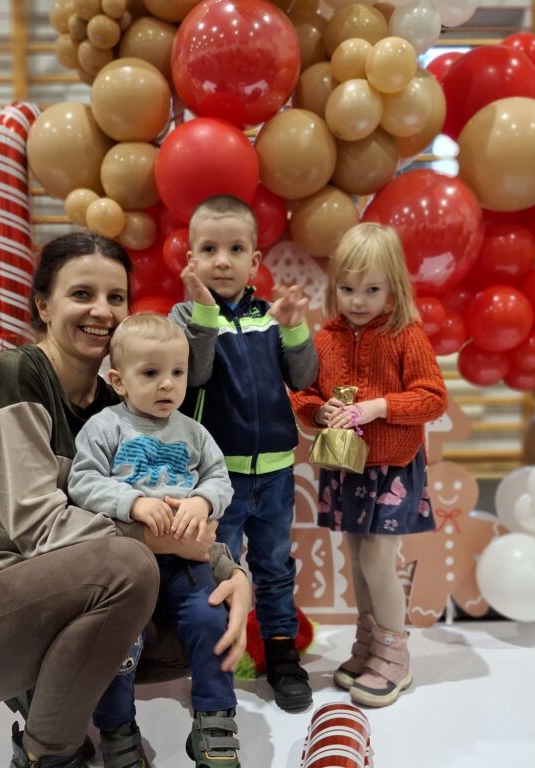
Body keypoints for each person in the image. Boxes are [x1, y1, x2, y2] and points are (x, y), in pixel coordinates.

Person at [0, 233, 250, 768]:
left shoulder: (117, 409)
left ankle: (72, 705)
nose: (102, 311)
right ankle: (48, 752)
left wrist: (231, 570)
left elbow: (178, 496)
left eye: (116, 297)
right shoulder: (12, 378)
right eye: (82, 294)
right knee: (130, 564)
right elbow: (39, 529)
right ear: (43, 305)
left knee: (200, 607)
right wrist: (173, 542)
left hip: (45, 596)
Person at [68, 313, 241, 768]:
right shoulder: (105, 426)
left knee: (210, 621)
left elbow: (220, 479)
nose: (168, 384)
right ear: (118, 381)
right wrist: (133, 502)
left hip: (186, 563)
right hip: (125, 564)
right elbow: (81, 482)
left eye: (178, 372)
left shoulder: (194, 432)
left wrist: (202, 501)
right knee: (119, 640)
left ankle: (214, 719)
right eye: (150, 373)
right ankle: (117, 729)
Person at [170, 194, 318, 712]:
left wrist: (295, 325)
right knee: (218, 570)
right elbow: (195, 374)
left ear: (255, 261)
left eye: (235, 249)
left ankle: (281, 653)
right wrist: (205, 314)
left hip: (276, 473)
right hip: (218, 480)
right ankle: (218, 665)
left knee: (275, 567)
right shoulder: (184, 316)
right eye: (209, 249)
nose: (222, 261)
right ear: (191, 259)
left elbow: (303, 377)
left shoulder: (269, 318)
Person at [291, 222, 447, 708]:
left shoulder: (407, 336)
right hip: (345, 467)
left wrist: (378, 407)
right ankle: (369, 645)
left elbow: (433, 398)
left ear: (394, 287)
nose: (358, 301)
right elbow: (303, 395)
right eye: (348, 289)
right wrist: (320, 412)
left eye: (372, 290)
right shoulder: (325, 339)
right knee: (357, 557)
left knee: (378, 557)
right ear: (334, 285)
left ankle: (396, 656)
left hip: (393, 467)